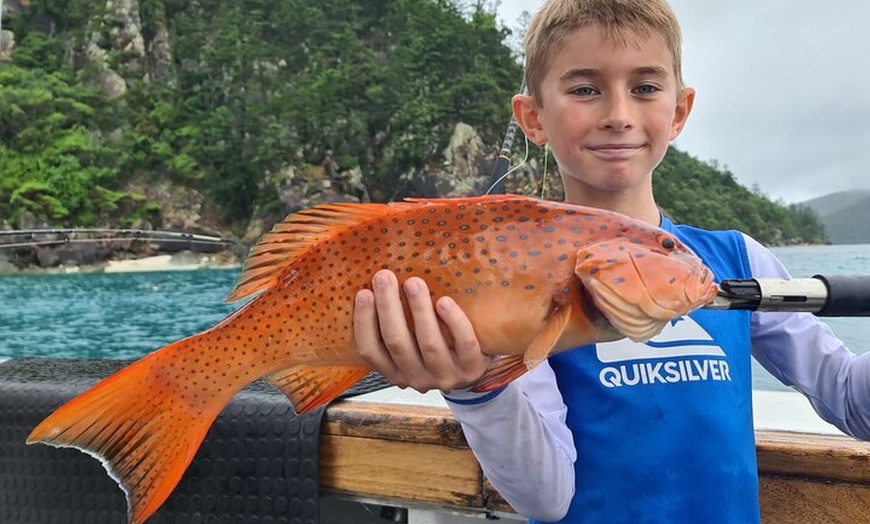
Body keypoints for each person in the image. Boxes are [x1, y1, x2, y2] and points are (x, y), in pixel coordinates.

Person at [353, 0, 870, 522]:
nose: (618, 115)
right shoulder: (515, 279)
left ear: (678, 112)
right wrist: (475, 389)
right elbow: (546, 500)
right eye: (584, 89)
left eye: (645, 87)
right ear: (533, 118)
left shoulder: (737, 260)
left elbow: (851, 400)